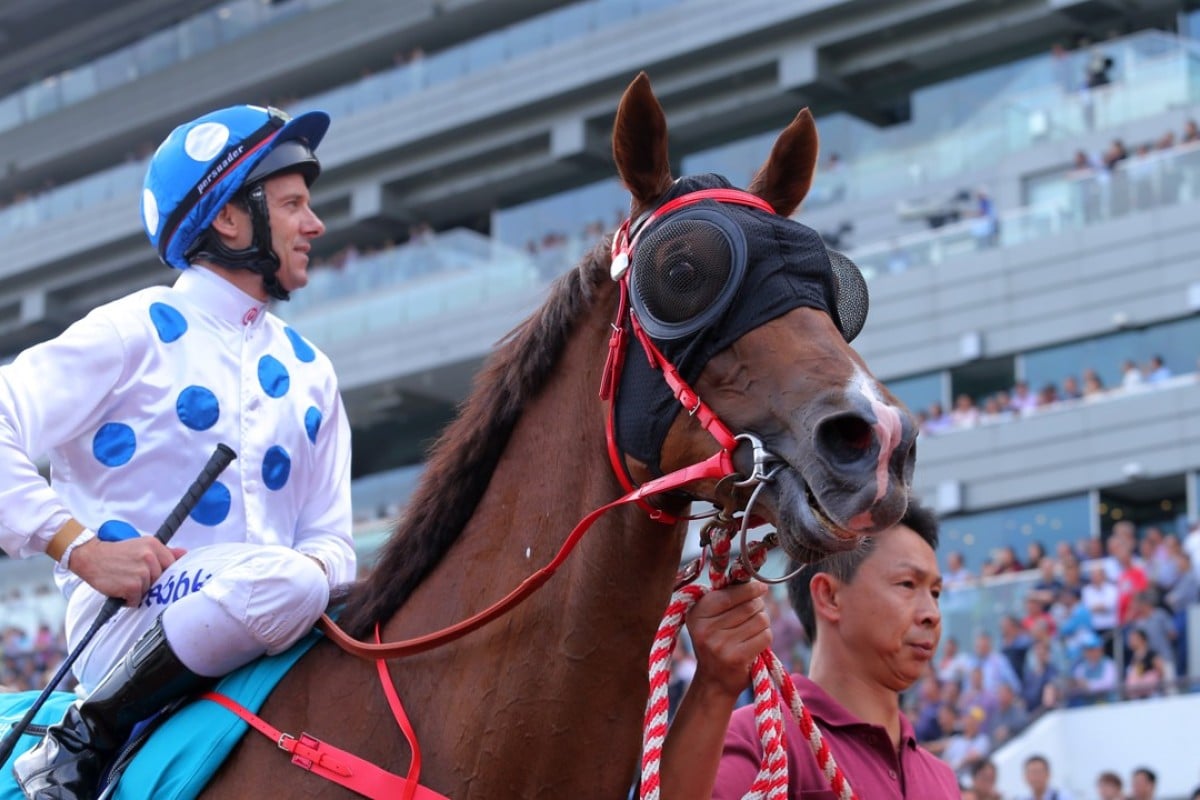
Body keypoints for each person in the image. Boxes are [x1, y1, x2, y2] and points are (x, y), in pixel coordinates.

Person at [2, 104, 355, 799]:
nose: (313, 225)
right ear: (230, 218)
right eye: (291, 205)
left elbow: (334, 544)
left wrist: (309, 571)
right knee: (288, 581)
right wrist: (81, 548)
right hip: (129, 631)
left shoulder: (314, 370)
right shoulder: (129, 331)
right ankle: (86, 732)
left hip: (278, 628)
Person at [659, 501, 959, 798]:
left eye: (935, 593)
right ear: (828, 596)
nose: (932, 613)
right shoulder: (760, 738)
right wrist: (714, 685)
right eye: (908, 584)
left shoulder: (942, 778)